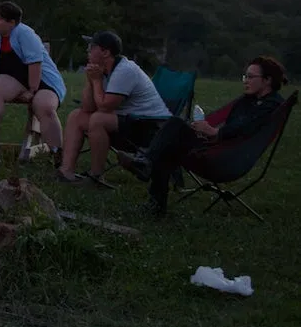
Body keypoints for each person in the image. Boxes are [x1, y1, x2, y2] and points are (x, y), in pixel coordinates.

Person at [121, 56, 288, 215]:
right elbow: (233, 125)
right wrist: (207, 132)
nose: (245, 81)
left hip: (227, 159)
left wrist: (214, 132)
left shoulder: (272, 106)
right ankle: (152, 191)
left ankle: (146, 166)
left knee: (175, 127)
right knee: (172, 136)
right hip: (218, 146)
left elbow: (247, 128)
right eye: (245, 76)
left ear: (267, 80)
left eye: (251, 77)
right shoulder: (248, 100)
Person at [56, 31, 172, 184]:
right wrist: (91, 81)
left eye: (92, 47)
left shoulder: (125, 70)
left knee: (99, 119)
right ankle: (66, 171)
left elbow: (104, 107)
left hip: (150, 127)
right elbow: (87, 107)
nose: (87, 51)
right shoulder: (101, 70)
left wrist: (96, 81)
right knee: (76, 116)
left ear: (105, 52)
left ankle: (96, 177)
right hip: (128, 121)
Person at [0, 1, 66, 161]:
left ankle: (56, 154)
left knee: (44, 106)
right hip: (14, 79)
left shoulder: (25, 33)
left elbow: (35, 62)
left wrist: (32, 90)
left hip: (42, 81)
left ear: (11, 22)